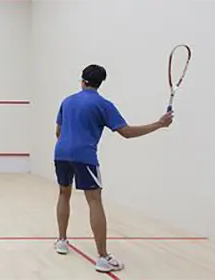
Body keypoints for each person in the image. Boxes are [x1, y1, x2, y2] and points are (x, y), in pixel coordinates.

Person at [52, 64, 173, 272]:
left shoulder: (67, 101)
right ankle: (102, 257)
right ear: (101, 83)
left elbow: (58, 132)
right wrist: (159, 124)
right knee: (94, 200)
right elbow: (125, 132)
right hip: (84, 156)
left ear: (82, 81)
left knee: (64, 194)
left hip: (60, 153)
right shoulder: (103, 104)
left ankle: (61, 241)